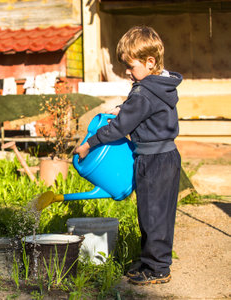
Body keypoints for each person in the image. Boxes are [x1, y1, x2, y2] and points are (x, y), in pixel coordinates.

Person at [75, 25, 182, 285]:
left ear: (150, 61)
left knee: (153, 216)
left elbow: (121, 128)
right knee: (154, 213)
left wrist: (90, 143)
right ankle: (150, 261)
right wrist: (125, 107)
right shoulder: (159, 86)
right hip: (166, 157)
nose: (128, 72)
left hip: (154, 161)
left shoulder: (144, 91)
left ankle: (158, 268)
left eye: (131, 66)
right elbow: (141, 110)